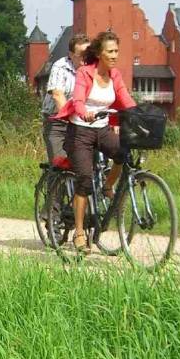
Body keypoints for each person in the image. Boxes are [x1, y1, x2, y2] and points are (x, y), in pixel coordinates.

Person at [52, 31, 136, 252]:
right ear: (99, 53)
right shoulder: (84, 73)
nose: (115, 55)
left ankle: (108, 185)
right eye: (110, 51)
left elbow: (125, 98)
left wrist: (139, 113)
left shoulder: (115, 75)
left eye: (117, 51)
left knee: (123, 154)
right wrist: (84, 112)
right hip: (80, 130)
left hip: (102, 129)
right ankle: (79, 233)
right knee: (85, 180)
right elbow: (78, 99)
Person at [42, 33, 90, 163]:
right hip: (57, 121)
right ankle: (54, 181)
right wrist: (68, 118)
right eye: (81, 54)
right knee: (60, 163)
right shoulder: (60, 67)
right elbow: (58, 95)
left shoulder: (92, 69)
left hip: (81, 121)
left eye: (88, 53)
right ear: (71, 54)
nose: (85, 58)